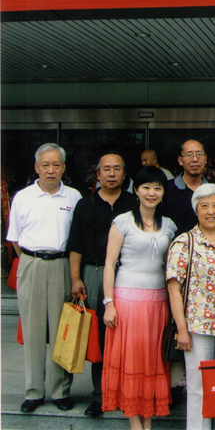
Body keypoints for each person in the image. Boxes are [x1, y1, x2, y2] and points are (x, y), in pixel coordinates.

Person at [7, 143, 82, 413]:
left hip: (63, 265)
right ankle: (33, 392)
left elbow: (78, 238)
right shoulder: (23, 197)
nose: (51, 170)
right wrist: (32, 259)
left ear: (63, 167)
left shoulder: (73, 197)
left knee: (63, 330)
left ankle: (60, 391)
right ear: (36, 167)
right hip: (31, 263)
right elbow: (15, 238)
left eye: (56, 165)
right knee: (33, 330)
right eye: (45, 165)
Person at [101, 166, 177, 430]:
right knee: (131, 360)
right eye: (146, 187)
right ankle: (135, 421)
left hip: (158, 304)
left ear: (163, 192)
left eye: (157, 187)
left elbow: (169, 267)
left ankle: (148, 420)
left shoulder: (169, 226)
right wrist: (108, 303)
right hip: (127, 302)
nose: (151, 193)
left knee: (152, 361)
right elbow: (109, 264)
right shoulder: (122, 222)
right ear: (136, 190)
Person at [67, 152, 135, 417]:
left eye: (117, 168)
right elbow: (75, 245)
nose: (111, 173)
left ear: (124, 174)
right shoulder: (85, 204)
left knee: (125, 336)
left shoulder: (134, 203)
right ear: (97, 174)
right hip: (94, 274)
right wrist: (76, 278)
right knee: (100, 337)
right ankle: (101, 394)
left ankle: (126, 391)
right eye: (106, 169)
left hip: (127, 275)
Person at [166, 184, 215, 430]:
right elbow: (174, 290)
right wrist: (181, 330)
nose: (210, 211)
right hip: (196, 327)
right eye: (204, 206)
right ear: (196, 209)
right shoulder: (184, 242)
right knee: (198, 388)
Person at [164, 139, 209, 236]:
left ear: (205, 159)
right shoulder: (167, 189)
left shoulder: (213, 189)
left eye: (199, 155)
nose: (195, 159)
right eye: (189, 155)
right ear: (180, 160)